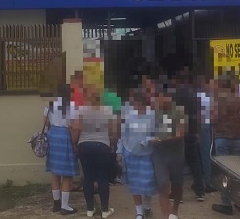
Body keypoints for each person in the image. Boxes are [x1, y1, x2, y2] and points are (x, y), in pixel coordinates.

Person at [72, 83, 118, 219]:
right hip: (102, 145)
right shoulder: (108, 110)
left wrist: (74, 144)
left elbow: (76, 128)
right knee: (103, 177)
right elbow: (114, 132)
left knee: (88, 177)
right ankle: (105, 210)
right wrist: (112, 144)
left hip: (84, 145)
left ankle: (90, 210)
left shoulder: (81, 110)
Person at [151, 83, 188, 219]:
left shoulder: (178, 111)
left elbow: (181, 133)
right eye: (157, 97)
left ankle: (175, 211)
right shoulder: (153, 112)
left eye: (161, 97)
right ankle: (166, 216)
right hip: (159, 155)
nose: (158, 101)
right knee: (163, 184)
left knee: (177, 185)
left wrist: (161, 139)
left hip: (176, 154)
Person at [211, 73, 240, 216]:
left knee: (224, 173)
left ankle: (226, 204)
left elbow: (213, 118)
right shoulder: (238, 99)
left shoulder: (218, 99)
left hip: (222, 138)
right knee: (237, 173)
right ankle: (239, 202)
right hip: (236, 138)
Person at [120, 88, 158, 219]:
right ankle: (139, 212)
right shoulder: (129, 115)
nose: (135, 106)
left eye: (137, 103)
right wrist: (119, 151)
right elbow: (123, 134)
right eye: (133, 103)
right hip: (131, 153)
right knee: (135, 184)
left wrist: (148, 140)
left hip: (147, 154)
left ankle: (147, 205)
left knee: (148, 182)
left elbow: (157, 134)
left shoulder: (152, 115)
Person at [44, 84, 79, 215]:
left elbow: (45, 122)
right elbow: (75, 127)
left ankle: (56, 204)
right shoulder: (72, 107)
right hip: (65, 136)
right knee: (67, 173)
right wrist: (74, 143)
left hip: (52, 135)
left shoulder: (50, 105)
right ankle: (65, 206)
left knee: (55, 172)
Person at [173, 66, 206, 201]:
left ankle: (178, 194)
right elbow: (198, 114)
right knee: (195, 162)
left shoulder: (175, 95)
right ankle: (200, 192)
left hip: (180, 132)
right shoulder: (194, 95)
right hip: (192, 131)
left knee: (178, 164)